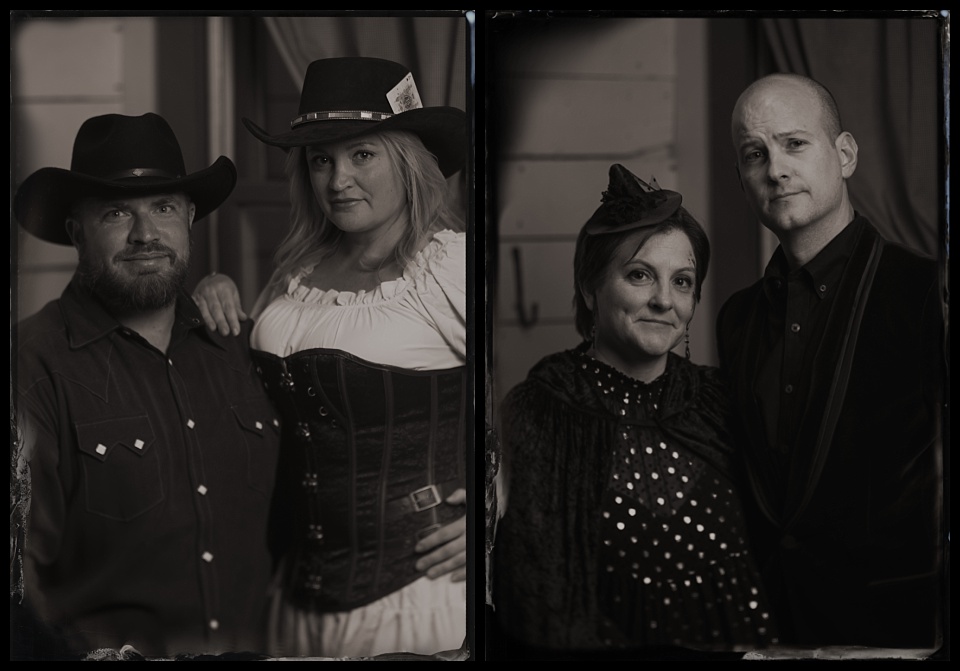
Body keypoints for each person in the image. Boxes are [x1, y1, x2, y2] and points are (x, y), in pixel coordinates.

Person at [190, 57, 468, 659]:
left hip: (417, 599)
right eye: (322, 160)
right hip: (293, 599)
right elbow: (253, 406)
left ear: (407, 158)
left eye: (362, 154)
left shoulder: (450, 266)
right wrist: (211, 302)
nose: (338, 179)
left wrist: (497, 511)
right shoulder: (298, 274)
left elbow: (522, 403)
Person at [12, 113, 280, 658]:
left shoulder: (241, 346)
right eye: (116, 214)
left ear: (189, 221)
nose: (145, 235)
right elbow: (21, 583)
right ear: (75, 232)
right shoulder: (31, 365)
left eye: (163, 209)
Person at [491, 164, 778, 657]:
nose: (665, 301)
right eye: (640, 275)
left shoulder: (721, 399)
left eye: (683, 282)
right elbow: (539, 595)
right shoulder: (545, 409)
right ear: (589, 288)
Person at [718, 72, 945, 649]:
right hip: (770, 630)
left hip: (899, 629)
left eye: (795, 143)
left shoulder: (925, 291)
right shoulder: (737, 318)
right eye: (754, 154)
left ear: (844, 155)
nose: (775, 169)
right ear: (743, 180)